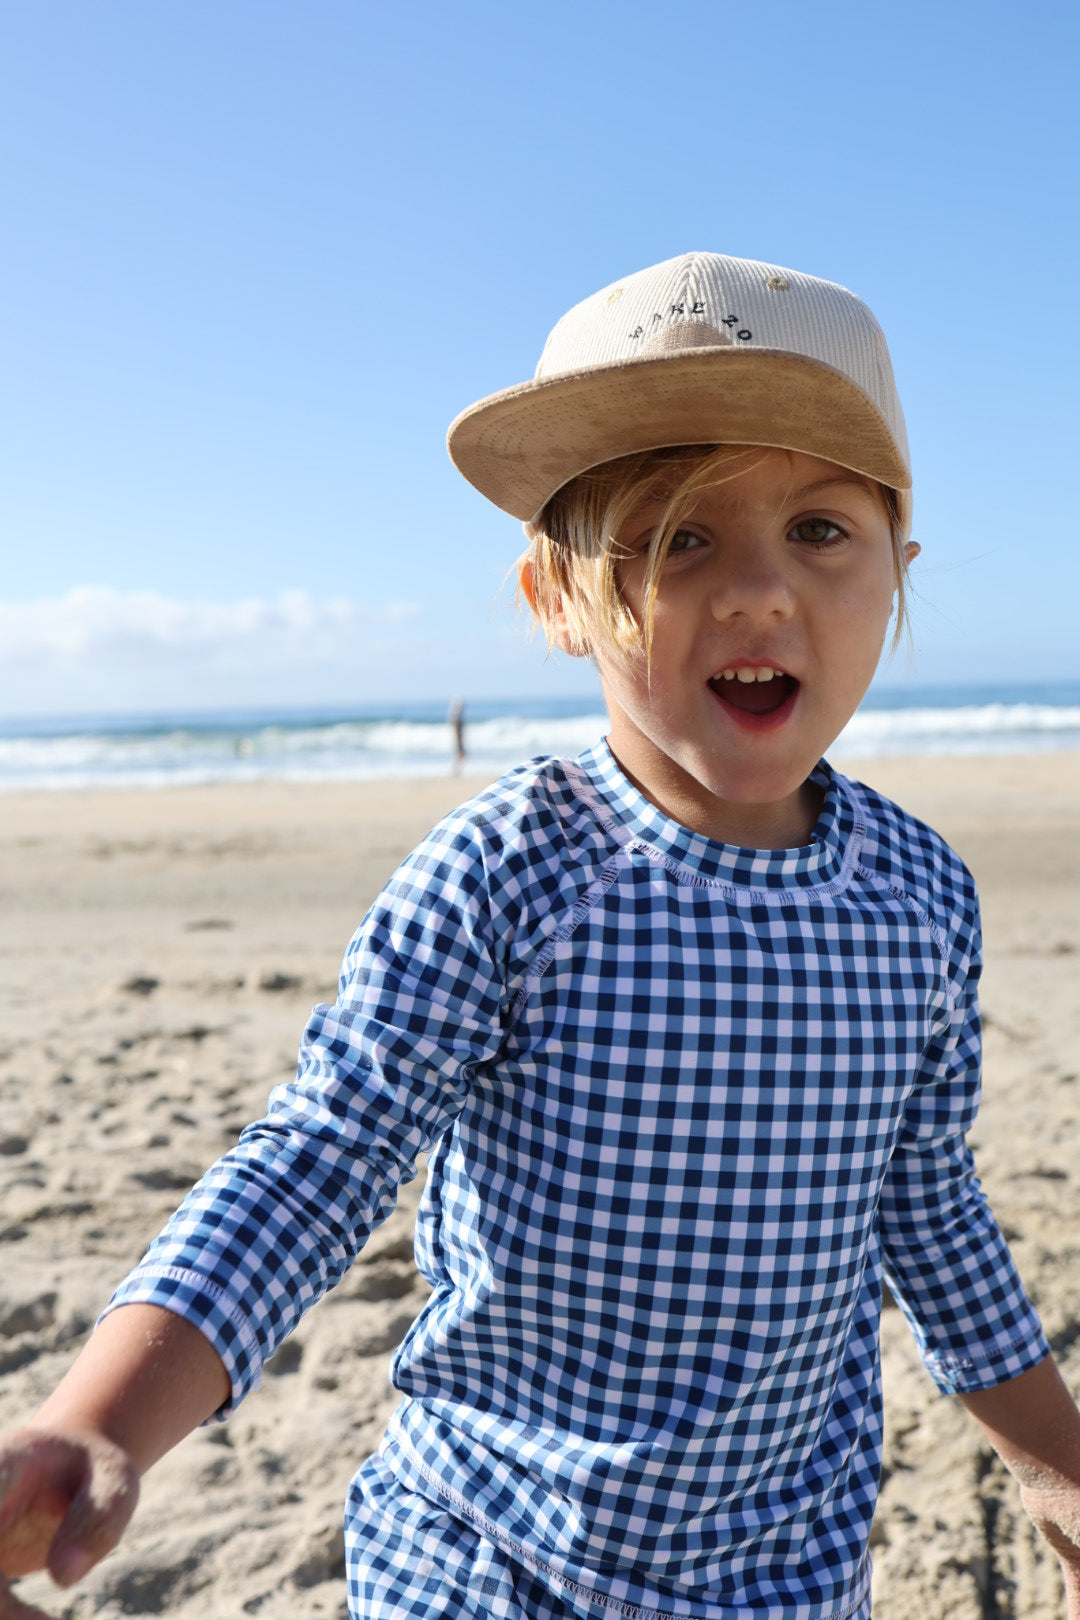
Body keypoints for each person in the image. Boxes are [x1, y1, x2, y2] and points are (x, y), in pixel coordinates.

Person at [2, 251, 1080, 1620]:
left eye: (818, 530)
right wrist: (102, 1420)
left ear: (897, 573)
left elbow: (924, 1201)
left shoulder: (922, 897)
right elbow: (323, 1157)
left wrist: (1052, 1465)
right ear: (556, 600)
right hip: (486, 1552)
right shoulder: (510, 871)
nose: (755, 591)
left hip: (780, 1572)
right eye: (675, 538)